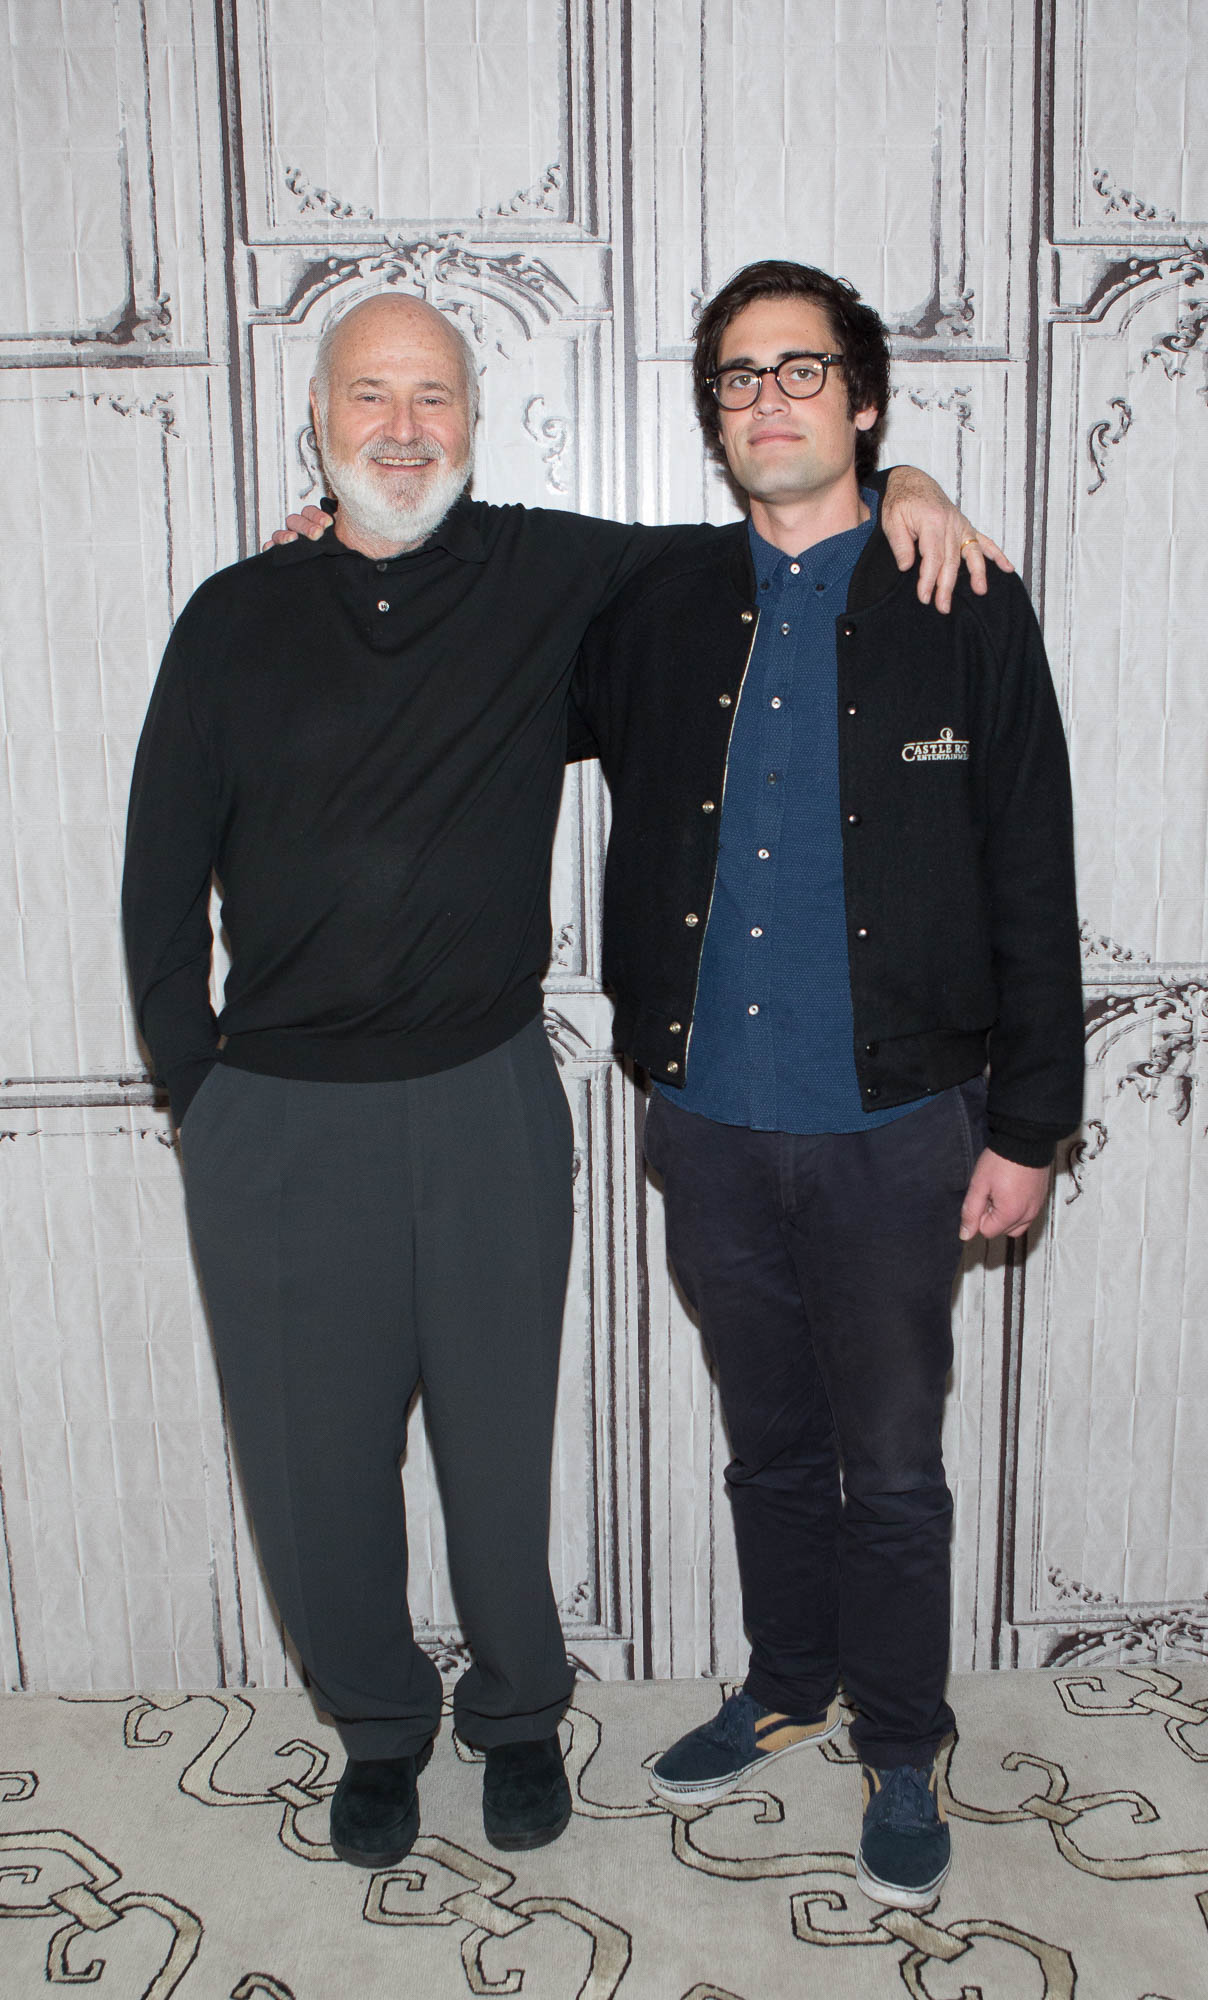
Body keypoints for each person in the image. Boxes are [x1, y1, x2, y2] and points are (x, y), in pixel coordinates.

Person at [123, 288, 1002, 1871]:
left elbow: (770, 528)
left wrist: (911, 489)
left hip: (482, 1097)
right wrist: (204, 1094)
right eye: (370, 397)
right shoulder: (231, 616)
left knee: (496, 1449)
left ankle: (518, 1717)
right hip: (276, 1111)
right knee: (316, 1476)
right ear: (316, 423)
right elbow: (153, 875)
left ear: (473, 418)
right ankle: (381, 1730)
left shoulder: (553, 574)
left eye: (436, 396)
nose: (405, 427)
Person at [571, 260, 1083, 1911]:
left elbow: (1033, 871)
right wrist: (330, 530)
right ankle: (787, 1681)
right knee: (767, 1444)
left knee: (896, 1462)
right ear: (713, 418)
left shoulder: (968, 601)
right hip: (708, 1121)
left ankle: (905, 1746)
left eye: (802, 371)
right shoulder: (653, 600)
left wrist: (1029, 1127)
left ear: (864, 402)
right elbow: (468, 587)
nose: (768, 397)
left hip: (899, 1128)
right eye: (736, 377)